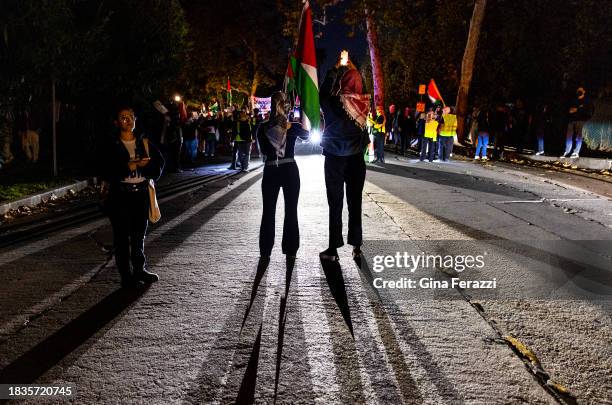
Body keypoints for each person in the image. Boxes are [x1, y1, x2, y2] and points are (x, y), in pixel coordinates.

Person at [99, 106, 164, 289]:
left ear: (135, 120)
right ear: (117, 122)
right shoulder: (112, 144)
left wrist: (146, 167)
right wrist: (126, 168)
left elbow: (159, 165)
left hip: (141, 194)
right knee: (121, 238)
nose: (128, 120)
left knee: (138, 236)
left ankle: (139, 270)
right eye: (123, 117)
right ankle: (126, 276)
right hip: (120, 195)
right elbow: (105, 169)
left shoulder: (144, 143)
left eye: (130, 117)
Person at [319, 53, 371, 261]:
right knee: (355, 202)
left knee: (335, 203)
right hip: (356, 159)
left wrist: (334, 69)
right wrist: (354, 69)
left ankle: (333, 248)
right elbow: (363, 88)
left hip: (334, 158)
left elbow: (322, 93)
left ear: (342, 82)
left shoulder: (333, 103)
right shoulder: (363, 105)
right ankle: (356, 246)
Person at [257, 91, 309, 261]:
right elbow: (307, 135)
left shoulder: (262, 127)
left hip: (271, 170)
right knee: (291, 211)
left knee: (268, 212)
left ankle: (265, 251)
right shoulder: (292, 126)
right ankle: (291, 249)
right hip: (290, 170)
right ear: (287, 106)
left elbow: (264, 151)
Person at [562, 87, 594, 158]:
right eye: (578, 90)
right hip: (572, 120)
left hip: (581, 121)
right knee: (569, 136)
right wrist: (578, 109)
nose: (579, 91)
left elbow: (588, 111)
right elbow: (569, 110)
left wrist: (577, 109)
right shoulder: (574, 100)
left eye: (581, 90)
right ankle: (567, 151)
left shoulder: (587, 101)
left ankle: (576, 152)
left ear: (584, 91)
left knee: (578, 137)